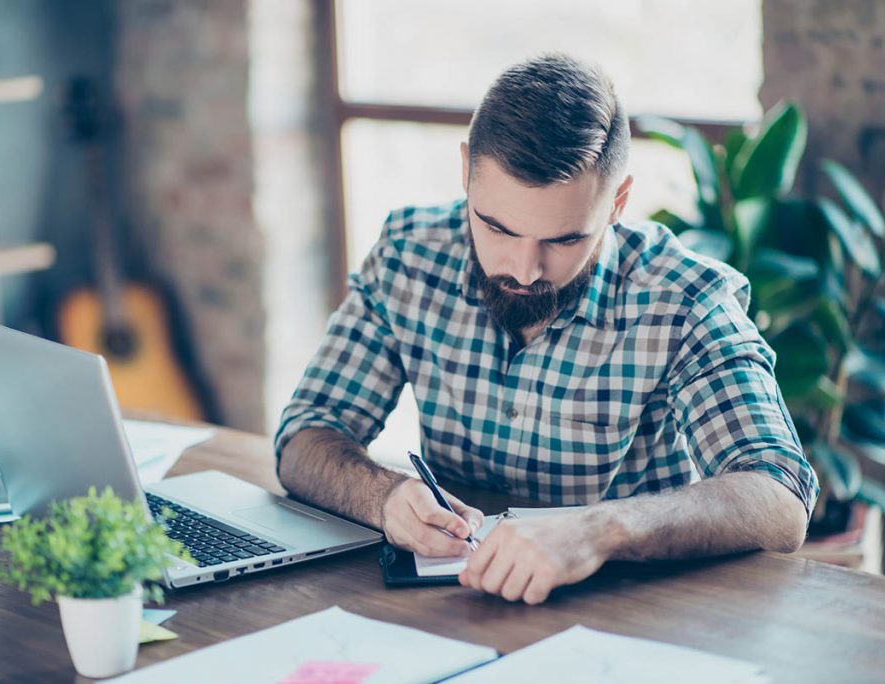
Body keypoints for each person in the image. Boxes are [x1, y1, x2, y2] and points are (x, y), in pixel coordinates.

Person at [275, 53, 818, 605]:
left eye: (563, 240)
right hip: (454, 608)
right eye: (496, 227)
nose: (524, 269)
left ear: (617, 202)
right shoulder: (408, 255)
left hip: (628, 616)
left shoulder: (684, 297)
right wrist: (385, 498)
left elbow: (779, 493)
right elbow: (305, 434)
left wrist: (597, 530)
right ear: (466, 171)